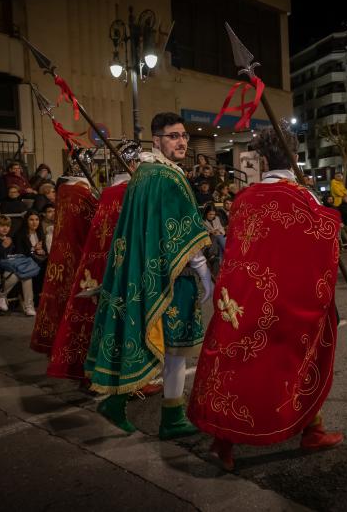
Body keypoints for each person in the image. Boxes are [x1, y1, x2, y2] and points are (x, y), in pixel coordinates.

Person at [188, 124, 344, 471]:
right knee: (305, 358)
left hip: (242, 299)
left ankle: (223, 442)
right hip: (288, 302)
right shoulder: (306, 199)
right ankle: (312, 430)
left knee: (236, 366)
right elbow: (326, 239)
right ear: (296, 157)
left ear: (262, 159)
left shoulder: (244, 199)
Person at [85, 112, 213, 439]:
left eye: (184, 135)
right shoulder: (167, 178)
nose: (182, 141)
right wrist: (206, 275)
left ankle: (115, 404)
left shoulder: (143, 174)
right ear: (156, 141)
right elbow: (185, 233)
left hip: (144, 272)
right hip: (171, 276)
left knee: (148, 336)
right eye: (173, 136)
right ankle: (171, 418)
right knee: (175, 349)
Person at [47, 144, 139, 382]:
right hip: (121, 262)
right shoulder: (128, 191)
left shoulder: (101, 193)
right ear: (132, 164)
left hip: (95, 259)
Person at [30, 151, 98, 353]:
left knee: (59, 297)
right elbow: (93, 223)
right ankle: (72, 347)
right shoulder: (81, 192)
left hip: (61, 251)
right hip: (77, 252)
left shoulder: (64, 189)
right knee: (76, 301)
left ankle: (56, 343)